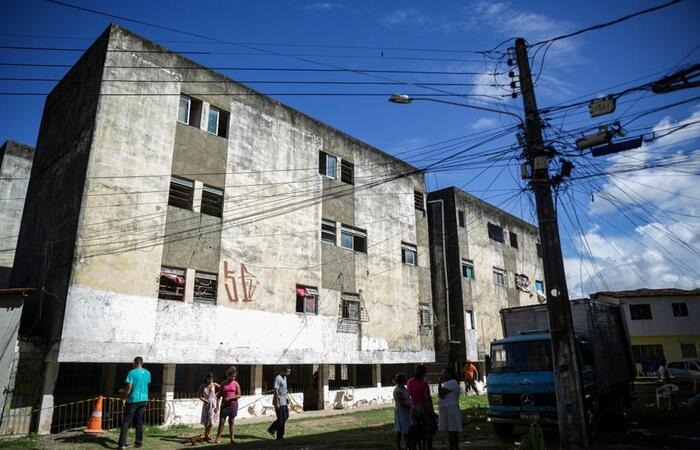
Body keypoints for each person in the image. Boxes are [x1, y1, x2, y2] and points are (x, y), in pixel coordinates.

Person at [118, 356, 151, 450]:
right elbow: (143, 385)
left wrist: (124, 398)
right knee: (139, 421)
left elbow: (129, 387)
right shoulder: (148, 373)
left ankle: (122, 444)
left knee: (126, 421)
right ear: (142, 363)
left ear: (134, 363)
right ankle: (138, 442)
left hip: (133, 400)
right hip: (144, 399)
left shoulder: (131, 372)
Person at [406, 364, 435, 450]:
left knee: (414, 428)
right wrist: (432, 412)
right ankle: (428, 447)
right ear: (424, 373)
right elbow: (427, 399)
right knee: (429, 429)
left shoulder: (409, 382)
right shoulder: (424, 383)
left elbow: (409, 394)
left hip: (413, 408)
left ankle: (414, 444)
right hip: (422, 408)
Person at [214, 366, 241, 444]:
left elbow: (239, 395)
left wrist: (230, 398)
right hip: (224, 405)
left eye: (235, 376)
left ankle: (232, 439)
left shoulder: (236, 384)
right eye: (232, 376)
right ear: (228, 375)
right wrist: (217, 406)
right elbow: (218, 396)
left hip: (233, 405)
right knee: (222, 421)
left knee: (231, 421)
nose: (233, 378)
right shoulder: (223, 384)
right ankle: (217, 438)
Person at [438, 367, 462, 450]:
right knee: (452, 430)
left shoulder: (452, 383)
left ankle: (453, 447)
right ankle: (454, 447)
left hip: (451, 409)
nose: (443, 375)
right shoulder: (450, 383)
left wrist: (439, 383)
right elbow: (442, 395)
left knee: (452, 430)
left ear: (450, 374)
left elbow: (441, 394)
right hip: (450, 408)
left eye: (444, 373)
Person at [267, 367, 291, 440]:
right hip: (279, 400)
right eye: (288, 372)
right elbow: (276, 390)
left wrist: (287, 398)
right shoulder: (278, 378)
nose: (289, 374)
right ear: (283, 371)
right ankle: (278, 435)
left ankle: (273, 430)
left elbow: (284, 389)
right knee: (281, 419)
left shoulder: (284, 378)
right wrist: (277, 402)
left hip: (284, 400)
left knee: (286, 416)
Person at [198, 372, 220, 442]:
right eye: (209, 379)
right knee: (206, 420)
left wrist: (216, 394)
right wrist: (204, 400)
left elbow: (221, 389)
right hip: (206, 404)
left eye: (211, 379)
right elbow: (199, 395)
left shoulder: (214, 384)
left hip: (213, 404)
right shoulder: (203, 386)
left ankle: (208, 435)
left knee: (211, 420)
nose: (210, 380)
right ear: (206, 378)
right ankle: (206, 435)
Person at [393, 373, 411, 450]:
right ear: (402, 380)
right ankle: (399, 446)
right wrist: (410, 407)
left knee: (406, 428)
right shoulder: (397, 390)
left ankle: (408, 445)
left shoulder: (404, 388)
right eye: (405, 379)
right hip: (401, 411)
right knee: (400, 429)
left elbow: (408, 398)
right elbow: (401, 403)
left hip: (406, 411)